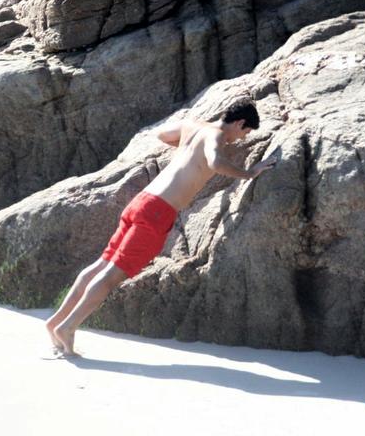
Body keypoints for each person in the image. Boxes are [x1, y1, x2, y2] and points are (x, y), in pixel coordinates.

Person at [45, 99, 277, 355]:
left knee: (101, 264)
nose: (240, 139)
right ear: (240, 122)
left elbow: (163, 134)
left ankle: (55, 322)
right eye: (244, 133)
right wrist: (249, 173)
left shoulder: (194, 126)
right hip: (157, 212)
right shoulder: (218, 135)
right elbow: (214, 162)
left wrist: (187, 153)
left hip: (142, 201)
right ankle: (68, 327)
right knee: (111, 276)